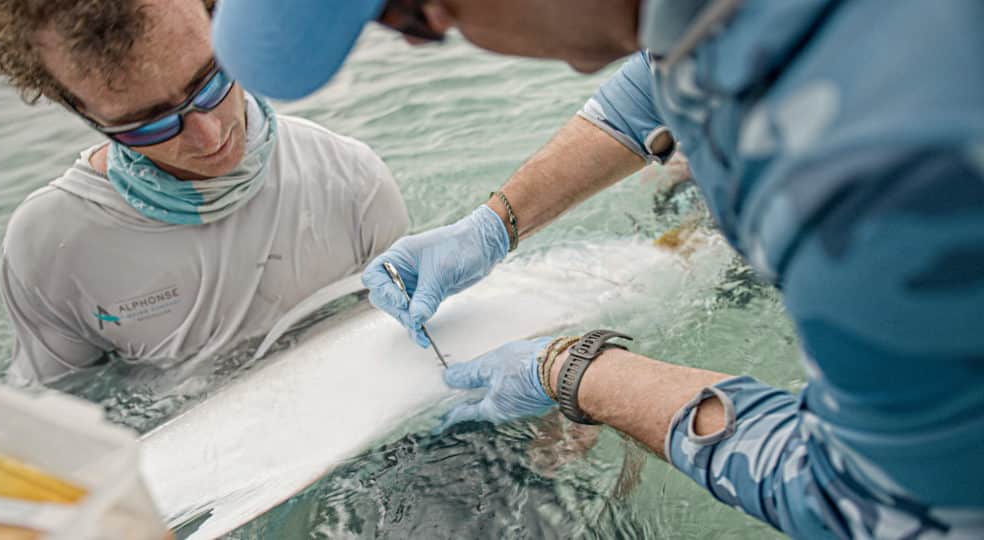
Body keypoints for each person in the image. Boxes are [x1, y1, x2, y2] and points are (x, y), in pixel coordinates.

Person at [212, 0, 984, 537]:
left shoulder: (868, 172)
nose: (433, 35)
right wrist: (495, 222)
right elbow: (655, 84)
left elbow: (875, 507)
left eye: (415, 10)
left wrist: (574, 371)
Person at [0, 0, 408, 387]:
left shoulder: (350, 179)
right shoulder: (49, 248)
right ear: (77, 109)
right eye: (150, 123)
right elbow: (61, 423)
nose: (208, 134)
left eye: (211, 81)